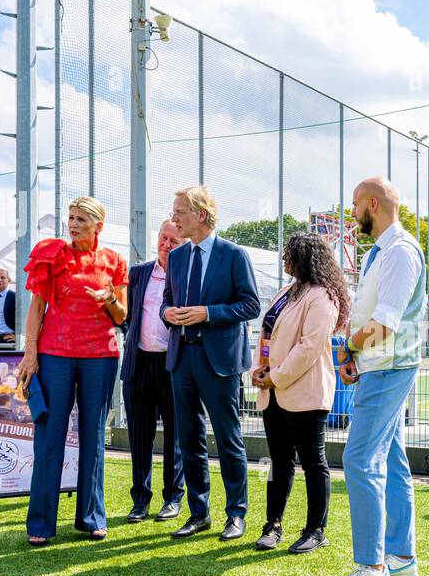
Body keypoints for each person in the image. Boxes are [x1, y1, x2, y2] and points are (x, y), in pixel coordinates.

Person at [324, 177, 426, 576]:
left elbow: (385, 324)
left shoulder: (399, 253)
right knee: (394, 461)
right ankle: (400, 557)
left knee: (359, 459)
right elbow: (371, 317)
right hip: (379, 365)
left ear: (372, 204)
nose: (351, 214)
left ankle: (372, 569)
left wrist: (348, 347)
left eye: (353, 206)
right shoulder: (382, 251)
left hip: (389, 366)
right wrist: (354, 356)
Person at [15, 197, 127, 545]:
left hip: (101, 355)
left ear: (98, 226)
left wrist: (108, 298)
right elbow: (36, 309)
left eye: (81, 219)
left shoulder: (114, 261)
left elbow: (122, 316)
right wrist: (30, 355)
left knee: (94, 436)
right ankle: (40, 523)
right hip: (55, 354)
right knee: (49, 436)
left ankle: (92, 517)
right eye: (71, 218)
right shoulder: (51, 254)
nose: (73, 224)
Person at [161, 185, 260, 541]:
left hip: (219, 361)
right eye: (173, 212)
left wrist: (207, 313)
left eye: (180, 212)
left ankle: (236, 514)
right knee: (188, 440)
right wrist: (168, 313)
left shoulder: (233, 255)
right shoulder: (176, 257)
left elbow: (250, 306)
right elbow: (166, 302)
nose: (174, 219)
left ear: (201, 214)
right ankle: (198, 513)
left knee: (228, 439)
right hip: (182, 358)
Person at [251, 232, 349, 554]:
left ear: (305, 258)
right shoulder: (287, 291)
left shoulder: (323, 297)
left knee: (313, 461)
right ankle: (273, 525)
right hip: (274, 392)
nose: (283, 259)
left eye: (288, 254)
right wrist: (259, 370)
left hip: (304, 393)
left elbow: (310, 347)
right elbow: (267, 333)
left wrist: (275, 377)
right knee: (280, 461)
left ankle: (316, 529)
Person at [121, 219, 186, 523]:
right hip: (139, 364)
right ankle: (140, 500)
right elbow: (126, 316)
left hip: (172, 365)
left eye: (174, 240)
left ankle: (173, 498)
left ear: (184, 244)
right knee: (139, 436)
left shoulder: (187, 275)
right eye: (163, 238)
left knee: (175, 436)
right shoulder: (137, 273)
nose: (166, 244)